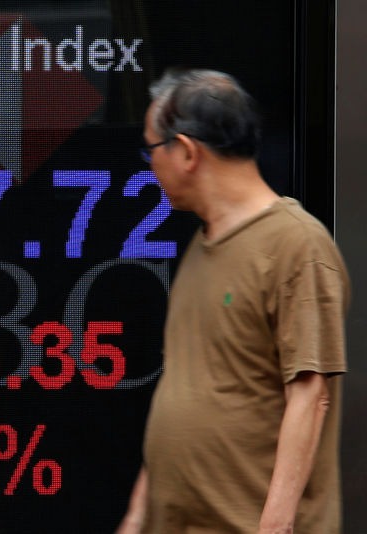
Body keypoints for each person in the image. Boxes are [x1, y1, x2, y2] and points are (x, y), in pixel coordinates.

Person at [117, 69, 350, 533]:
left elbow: (311, 395)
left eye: (152, 150)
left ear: (187, 152)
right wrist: (137, 517)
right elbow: (183, 391)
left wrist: (274, 527)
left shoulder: (297, 245)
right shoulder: (202, 245)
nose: (149, 166)